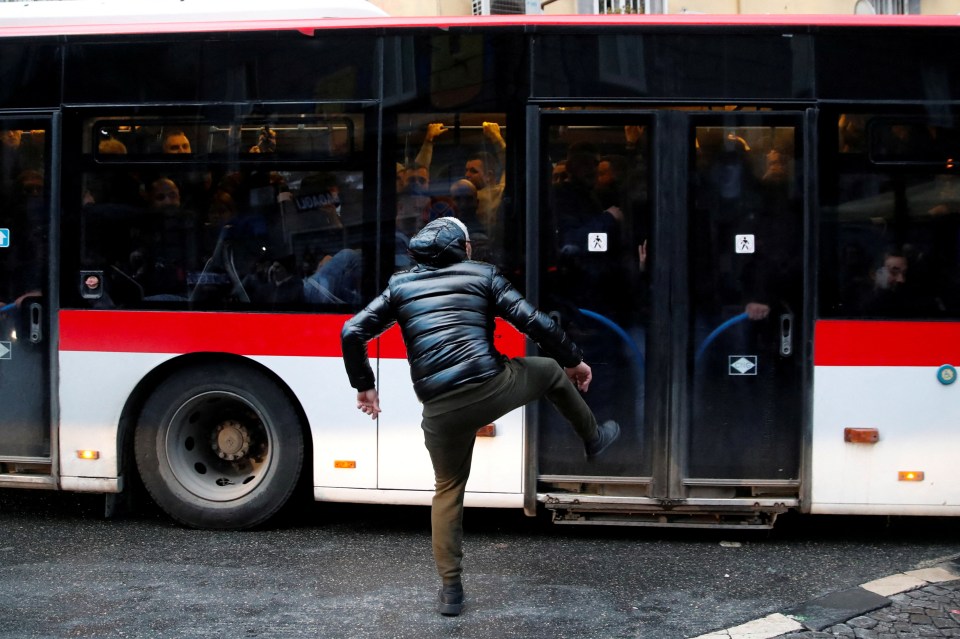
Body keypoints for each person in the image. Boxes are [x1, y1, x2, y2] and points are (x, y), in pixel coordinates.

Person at [340, 216, 620, 617]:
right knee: (550, 372)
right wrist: (574, 361)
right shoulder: (484, 275)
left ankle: (450, 591)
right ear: (464, 248)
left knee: (448, 488)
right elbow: (535, 322)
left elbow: (352, 331)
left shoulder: (400, 287)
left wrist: (364, 385)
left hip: (440, 410)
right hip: (491, 388)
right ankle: (593, 439)